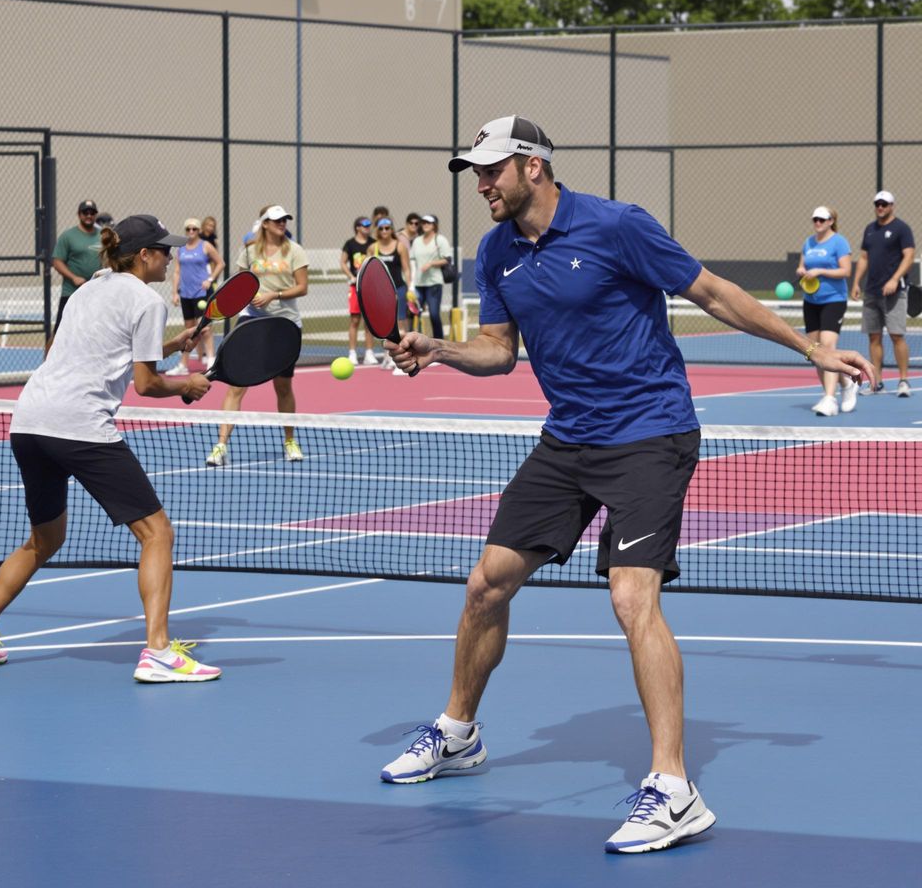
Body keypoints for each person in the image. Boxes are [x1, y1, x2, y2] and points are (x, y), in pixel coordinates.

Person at [382, 115, 872, 854]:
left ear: (534, 168)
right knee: (488, 583)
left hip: (650, 431)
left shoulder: (617, 227)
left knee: (630, 595)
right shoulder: (497, 251)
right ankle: (458, 733)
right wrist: (440, 349)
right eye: (475, 172)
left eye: (491, 170)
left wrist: (811, 349)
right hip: (568, 437)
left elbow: (711, 292)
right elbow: (499, 351)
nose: (480, 184)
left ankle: (674, 789)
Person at [0, 214, 221, 683]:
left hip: (30, 421)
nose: (171, 255)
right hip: (80, 425)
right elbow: (146, 382)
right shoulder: (146, 299)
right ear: (144, 256)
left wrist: (174, 343)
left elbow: (99, 347)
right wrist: (186, 385)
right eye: (164, 249)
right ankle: (158, 652)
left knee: (45, 539)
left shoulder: (90, 287)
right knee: (157, 533)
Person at [206, 205, 309, 466]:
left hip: (284, 324)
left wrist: (274, 295)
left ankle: (289, 442)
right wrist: (246, 297)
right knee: (237, 384)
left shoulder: (295, 251)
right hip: (251, 321)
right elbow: (240, 284)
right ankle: (220, 446)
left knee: (283, 386)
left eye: (284, 219)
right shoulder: (250, 251)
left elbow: (302, 287)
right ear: (264, 223)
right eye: (276, 220)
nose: (282, 223)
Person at [851, 189, 915, 397]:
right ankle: (876, 382)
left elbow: (909, 256)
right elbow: (863, 258)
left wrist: (895, 279)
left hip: (894, 293)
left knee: (897, 336)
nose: (880, 207)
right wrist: (856, 282)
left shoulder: (901, 229)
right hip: (872, 292)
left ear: (891, 206)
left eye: (884, 204)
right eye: (877, 204)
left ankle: (904, 380)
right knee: (874, 337)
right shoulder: (870, 229)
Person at [797, 206, 857, 416]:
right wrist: (802, 271)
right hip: (811, 301)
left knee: (828, 347)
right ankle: (846, 384)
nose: (818, 223)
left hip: (834, 300)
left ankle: (830, 398)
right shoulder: (808, 242)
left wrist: (820, 271)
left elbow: (846, 271)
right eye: (815, 219)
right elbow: (802, 265)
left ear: (831, 221)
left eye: (822, 219)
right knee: (815, 352)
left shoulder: (839, 242)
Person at [169, 217, 225, 375]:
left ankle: (212, 361)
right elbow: (177, 271)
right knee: (189, 330)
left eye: (194, 229)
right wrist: (174, 292)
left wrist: (210, 279)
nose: (191, 232)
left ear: (199, 230)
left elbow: (221, 263)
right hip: (185, 294)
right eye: (188, 229)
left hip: (201, 293)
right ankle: (183, 365)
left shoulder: (205, 246)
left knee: (205, 329)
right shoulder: (181, 249)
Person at [369, 215, 414, 375]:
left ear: (391, 229)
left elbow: (406, 268)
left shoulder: (400, 246)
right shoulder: (373, 247)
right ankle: (389, 356)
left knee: (401, 323)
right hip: (381, 293)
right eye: (381, 228)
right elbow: (369, 271)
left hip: (399, 289)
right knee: (385, 326)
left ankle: (405, 357)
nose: (384, 231)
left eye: (387, 228)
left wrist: (411, 287)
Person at [51, 199, 102, 335]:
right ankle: (48, 357)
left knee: (92, 333)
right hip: (71, 293)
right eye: (85, 212)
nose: (89, 216)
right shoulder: (68, 236)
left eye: (92, 213)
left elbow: (109, 259)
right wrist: (74, 278)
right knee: (60, 333)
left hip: (95, 293)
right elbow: (57, 262)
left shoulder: (102, 236)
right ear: (79, 215)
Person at [340, 215, 378, 366]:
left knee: (369, 322)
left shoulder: (374, 244)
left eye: (369, 225)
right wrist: (350, 276)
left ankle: (369, 353)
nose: (367, 227)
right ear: (357, 227)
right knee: (355, 320)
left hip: (370, 287)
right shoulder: (350, 244)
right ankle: (352, 353)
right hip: (355, 286)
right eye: (364, 225)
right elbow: (342, 262)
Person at [409, 213, 452, 339]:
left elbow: (447, 259)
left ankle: (439, 343)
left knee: (434, 314)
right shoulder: (417, 241)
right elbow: (412, 260)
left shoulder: (440, 240)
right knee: (414, 314)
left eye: (428, 223)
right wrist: (411, 283)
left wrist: (432, 263)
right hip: (419, 283)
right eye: (423, 223)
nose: (425, 225)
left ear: (434, 225)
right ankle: (413, 341)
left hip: (434, 283)